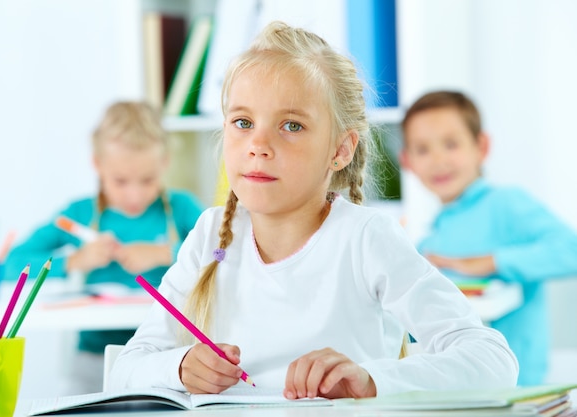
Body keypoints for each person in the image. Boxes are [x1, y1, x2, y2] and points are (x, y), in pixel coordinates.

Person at [110, 22, 517, 398]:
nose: (258, 145)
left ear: (340, 150)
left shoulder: (365, 238)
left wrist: (369, 379)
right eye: (242, 122)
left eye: (291, 125)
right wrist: (178, 368)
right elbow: (125, 367)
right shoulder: (210, 235)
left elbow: (493, 360)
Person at [3, 101, 204, 393]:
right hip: (93, 360)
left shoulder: (181, 208)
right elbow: (12, 263)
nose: (134, 194)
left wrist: (166, 254)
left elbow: (223, 255)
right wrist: (74, 261)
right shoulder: (79, 213)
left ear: (164, 163)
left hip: (169, 359)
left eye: (148, 180)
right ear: (98, 165)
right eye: (120, 181)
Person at [400, 90, 577, 386]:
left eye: (451, 144)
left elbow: (571, 249)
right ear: (407, 161)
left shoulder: (506, 204)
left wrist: (491, 262)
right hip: (460, 390)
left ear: (481, 146)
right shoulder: (428, 242)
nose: (438, 159)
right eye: (422, 149)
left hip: (518, 391)